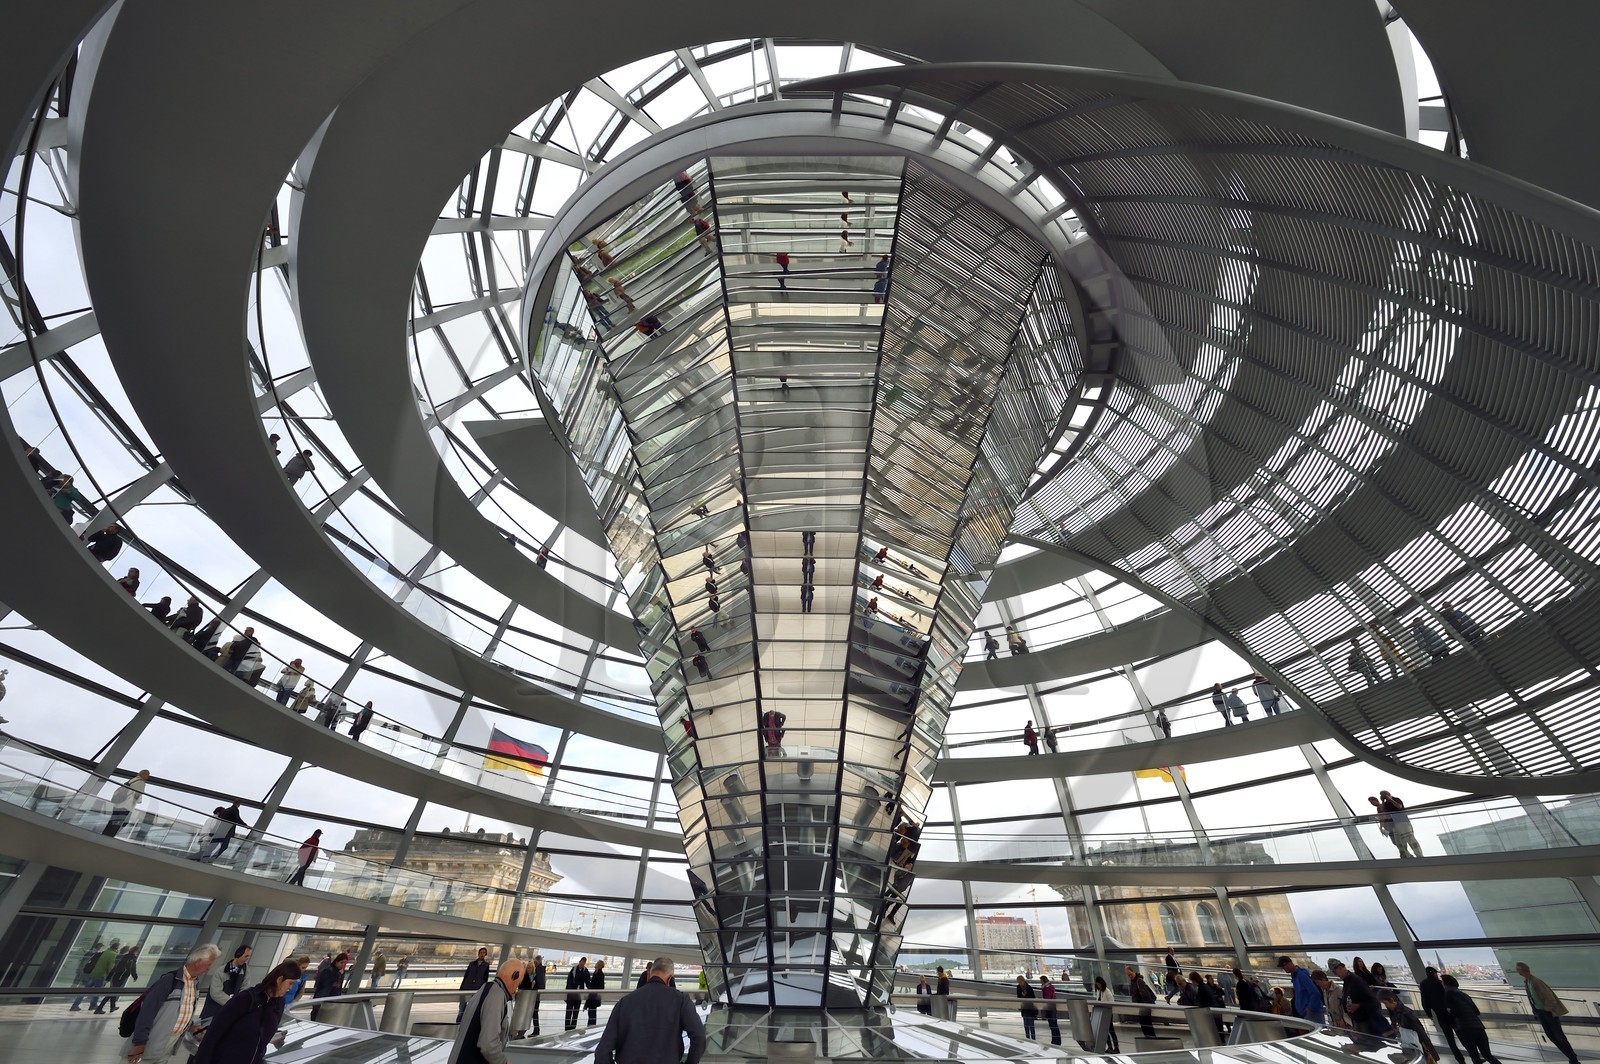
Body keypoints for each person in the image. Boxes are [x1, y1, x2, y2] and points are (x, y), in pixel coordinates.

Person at [593, 956, 705, 1064]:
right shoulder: (681, 1000)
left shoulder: (625, 1002)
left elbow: (602, 1051)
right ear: (670, 979)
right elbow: (699, 1037)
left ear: (649, 974)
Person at [121, 942, 219, 1063]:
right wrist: (139, 1043)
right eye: (209, 964)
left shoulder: (195, 984)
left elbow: (180, 1011)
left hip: (169, 1044)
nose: (209, 968)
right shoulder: (169, 980)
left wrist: (190, 1026)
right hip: (149, 1042)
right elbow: (147, 1012)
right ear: (199, 961)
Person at [192, 958, 299, 1064]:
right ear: (279, 979)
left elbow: (262, 1043)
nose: (290, 988)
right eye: (290, 983)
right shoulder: (246, 999)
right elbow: (214, 1033)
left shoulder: (278, 1004)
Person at [449, 958, 524, 1064]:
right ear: (515, 975)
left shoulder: (485, 989)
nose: (516, 989)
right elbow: (488, 1044)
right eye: (519, 983)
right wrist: (503, 1062)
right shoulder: (496, 995)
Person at [1514, 962, 1579, 1064]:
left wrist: (1547, 1009)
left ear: (1523, 970)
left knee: (1559, 1036)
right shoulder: (1527, 982)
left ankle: (1573, 1058)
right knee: (1551, 1036)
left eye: (1518, 969)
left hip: (1547, 1012)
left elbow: (1550, 998)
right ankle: (1571, 1056)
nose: (1517, 971)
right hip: (1541, 1013)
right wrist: (1536, 1011)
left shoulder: (1536, 982)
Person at [1441, 974, 1502, 1064]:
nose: (1441, 984)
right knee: (1487, 1055)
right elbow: (1477, 1011)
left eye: (1442, 982)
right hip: (1479, 1027)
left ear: (1446, 984)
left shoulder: (1448, 995)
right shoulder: (1464, 995)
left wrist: (1449, 1010)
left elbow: (1457, 1012)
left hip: (1465, 1029)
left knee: (1474, 1056)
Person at [1327, 958, 1387, 1034]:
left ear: (1340, 968)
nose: (1335, 975)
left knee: (1367, 1040)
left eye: (1334, 972)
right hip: (1357, 1021)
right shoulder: (1347, 981)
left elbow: (1374, 1003)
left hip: (1365, 1023)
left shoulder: (1356, 981)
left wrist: (1358, 1005)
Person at [1420, 966, 1466, 1064]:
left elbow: (1424, 1000)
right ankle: (1473, 1054)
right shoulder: (1440, 983)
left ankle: (1460, 1060)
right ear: (1434, 973)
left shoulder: (1423, 984)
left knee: (1450, 1039)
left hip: (1439, 1014)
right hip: (1450, 1012)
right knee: (1461, 1035)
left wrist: (1429, 1014)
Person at [1380, 989, 1439, 1062]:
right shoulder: (1395, 1013)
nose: (1386, 1006)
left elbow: (1420, 1032)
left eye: (1385, 1003)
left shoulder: (1406, 1013)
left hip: (1417, 1045)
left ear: (1391, 1000)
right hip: (1409, 1045)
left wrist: (1427, 1049)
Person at [201, 944, 252, 1020]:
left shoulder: (245, 971)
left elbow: (245, 988)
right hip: (214, 1012)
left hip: (231, 1012)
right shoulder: (220, 971)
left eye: (248, 956)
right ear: (239, 954)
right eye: (246, 956)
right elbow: (216, 993)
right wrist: (234, 1003)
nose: (247, 959)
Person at [1278, 955, 1326, 1025]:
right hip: (1308, 1013)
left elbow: (1315, 992)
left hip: (1312, 1013)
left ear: (1290, 963)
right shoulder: (1296, 976)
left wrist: (1309, 1008)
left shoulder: (1301, 975)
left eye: (1284, 965)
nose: (1284, 968)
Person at [76, 938, 120, 1013]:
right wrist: (109, 976)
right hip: (101, 974)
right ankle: (93, 1005)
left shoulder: (106, 952)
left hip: (94, 973)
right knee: (98, 991)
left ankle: (75, 1005)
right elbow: (110, 967)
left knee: (86, 990)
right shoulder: (113, 954)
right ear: (116, 948)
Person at [104, 769, 150, 838]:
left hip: (119, 803)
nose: (148, 776)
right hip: (127, 805)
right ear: (143, 774)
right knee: (122, 822)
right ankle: (110, 836)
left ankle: (105, 834)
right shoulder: (141, 782)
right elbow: (137, 795)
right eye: (147, 775)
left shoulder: (132, 780)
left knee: (112, 820)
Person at [103, 944, 140, 1015]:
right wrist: (135, 976)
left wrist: (109, 977)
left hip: (116, 975)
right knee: (113, 992)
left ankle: (112, 1007)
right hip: (121, 976)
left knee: (114, 991)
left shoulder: (125, 956)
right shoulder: (132, 958)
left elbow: (115, 967)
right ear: (136, 951)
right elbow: (132, 968)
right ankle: (100, 1007)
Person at [309, 952, 347, 1021]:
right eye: (341, 962)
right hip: (323, 1001)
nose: (343, 965)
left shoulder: (340, 973)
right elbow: (324, 987)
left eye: (344, 963)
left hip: (331, 1002)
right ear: (336, 962)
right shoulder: (328, 971)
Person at [564, 955, 590, 1030]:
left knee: (575, 1011)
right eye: (581, 963)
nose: (582, 964)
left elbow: (588, 982)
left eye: (583, 963)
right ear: (579, 962)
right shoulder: (574, 970)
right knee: (569, 1011)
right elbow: (569, 982)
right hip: (572, 994)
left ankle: (572, 1027)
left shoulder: (585, 971)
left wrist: (591, 990)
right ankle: (567, 1027)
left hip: (579, 994)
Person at [1128, 970, 1156, 1037]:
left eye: (1130, 974)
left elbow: (1145, 994)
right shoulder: (1134, 982)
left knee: (1145, 1023)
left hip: (1144, 1005)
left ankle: (1150, 1037)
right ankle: (1150, 1037)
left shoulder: (1138, 981)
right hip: (1142, 1005)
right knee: (1145, 1023)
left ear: (1133, 972)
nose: (1129, 976)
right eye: (1128, 975)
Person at [1094, 976, 1118, 1051]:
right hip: (1101, 1013)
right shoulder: (1099, 992)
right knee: (1105, 1031)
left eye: (1099, 984)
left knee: (1111, 1030)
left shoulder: (1107, 991)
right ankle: (1110, 1046)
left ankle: (1116, 1047)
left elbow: (1112, 1002)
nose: (1098, 986)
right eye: (1097, 984)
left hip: (1107, 1013)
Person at [1016, 974, 1038, 1040]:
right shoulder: (1018, 987)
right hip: (1024, 1008)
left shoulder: (1029, 988)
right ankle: (1027, 1038)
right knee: (1026, 1024)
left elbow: (1033, 997)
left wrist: (1025, 997)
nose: (1020, 984)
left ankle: (1033, 1039)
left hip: (1030, 1008)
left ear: (1023, 981)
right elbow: (1018, 997)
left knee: (1031, 1024)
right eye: (1019, 983)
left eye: (1020, 982)